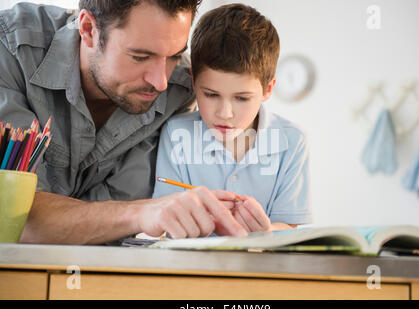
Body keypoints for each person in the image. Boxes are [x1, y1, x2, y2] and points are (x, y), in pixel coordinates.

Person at [0, 0, 247, 244]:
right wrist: (142, 213)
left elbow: (111, 230)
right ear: (88, 29)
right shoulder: (9, 50)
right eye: (140, 57)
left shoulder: (179, 89)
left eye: (174, 56)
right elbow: (14, 220)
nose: (160, 82)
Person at [152, 3, 312, 233]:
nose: (225, 113)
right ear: (193, 81)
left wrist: (264, 234)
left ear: (268, 89)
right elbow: (163, 221)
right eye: (211, 94)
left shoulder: (292, 141)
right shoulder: (176, 134)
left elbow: (287, 226)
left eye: (242, 98)